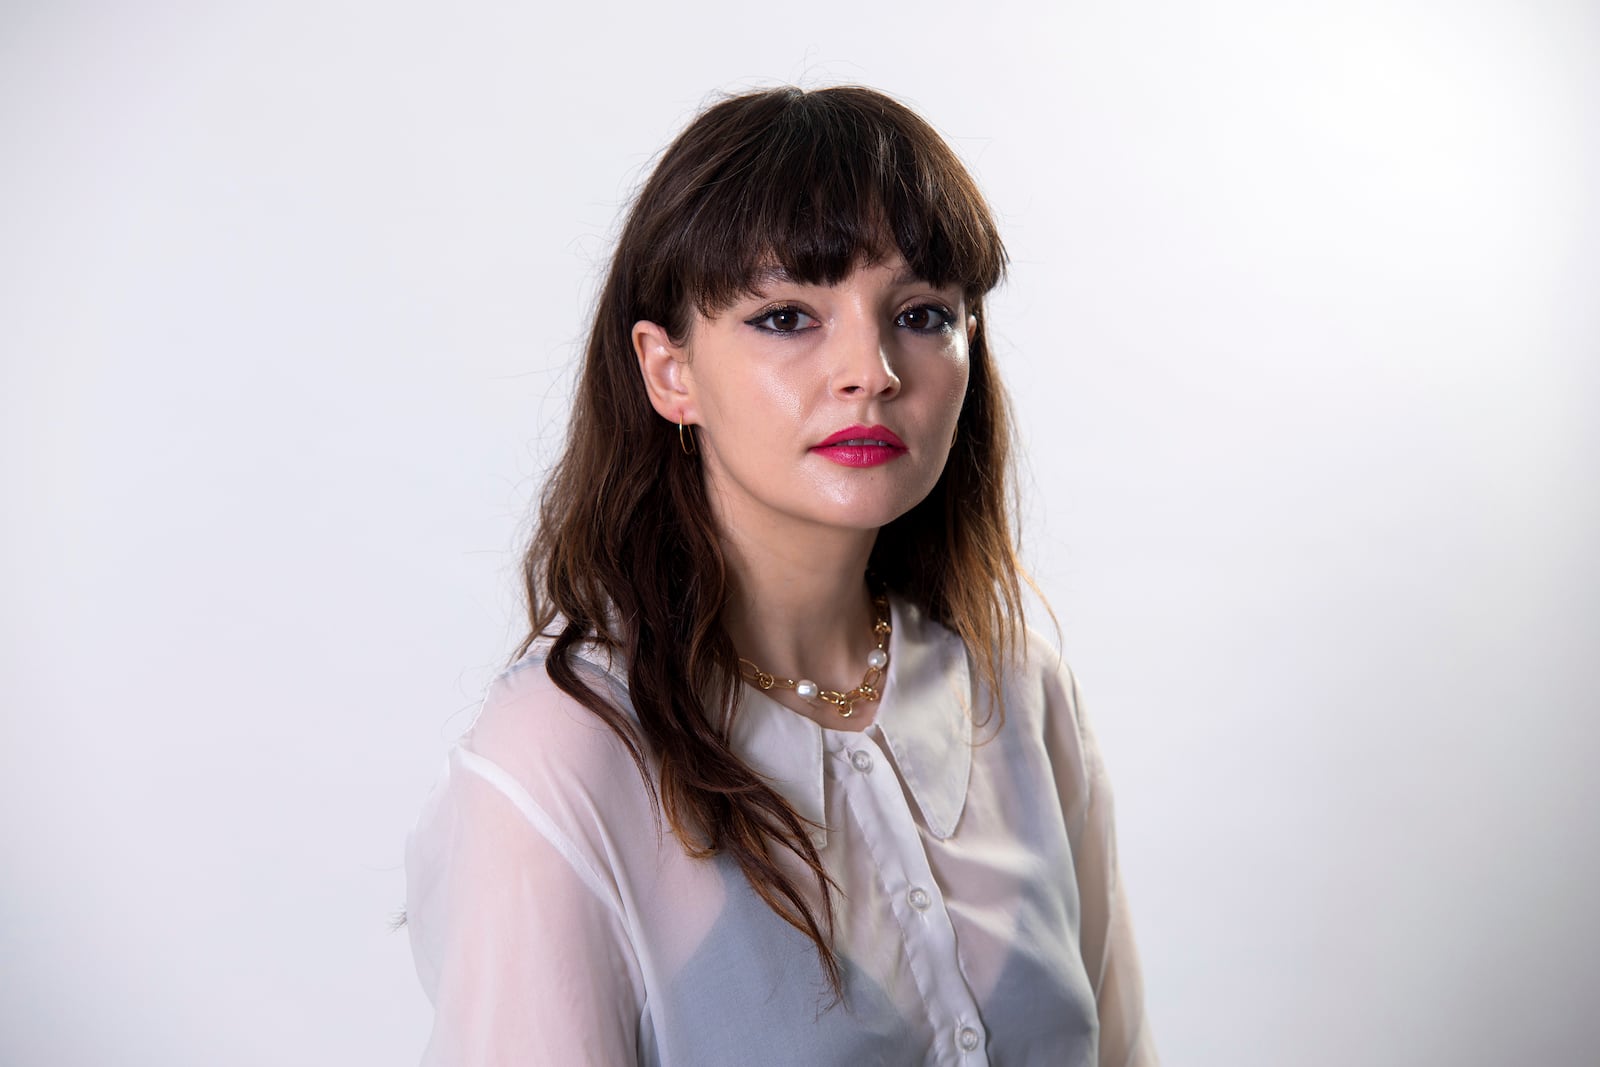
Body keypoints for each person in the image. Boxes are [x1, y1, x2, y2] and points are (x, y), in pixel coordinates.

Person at [405, 85, 1158, 1066]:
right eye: (788, 315)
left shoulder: (1016, 685)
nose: (871, 369)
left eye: (921, 312)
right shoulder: (565, 751)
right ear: (669, 370)